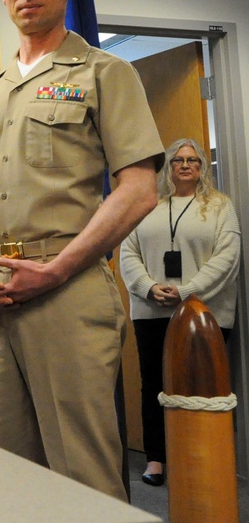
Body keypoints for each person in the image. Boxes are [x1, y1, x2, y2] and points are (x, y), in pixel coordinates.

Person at [0, 0, 164, 500]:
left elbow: (138, 188)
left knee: (81, 468)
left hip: (67, 291)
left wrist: (59, 269)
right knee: (8, 466)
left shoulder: (103, 74)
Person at [120, 138, 241, 487]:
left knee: (203, 386)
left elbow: (227, 257)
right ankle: (156, 458)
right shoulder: (147, 205)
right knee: (154, 385)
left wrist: (187, 290)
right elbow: (128, 251)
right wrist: (148, 286)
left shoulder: (220, 206)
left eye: (193, 160)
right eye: (177, 160)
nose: (185, 165)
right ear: (168, 167)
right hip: (151, 309)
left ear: (202, 167)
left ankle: (202, 457)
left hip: (206, 311)